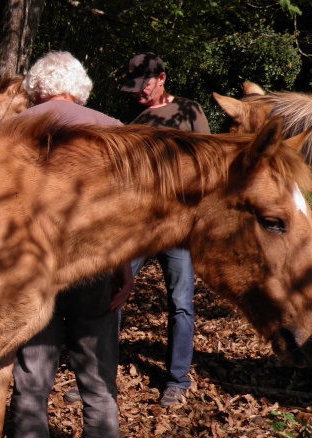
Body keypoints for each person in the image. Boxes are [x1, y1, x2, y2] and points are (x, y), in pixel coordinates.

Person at [9, 51, 132, 438]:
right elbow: (126, 213)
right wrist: (123, 266)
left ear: (37, 87)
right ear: (80, 87)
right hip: (93, 267)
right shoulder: (113, 129)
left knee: (31, 389)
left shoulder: (14, 128)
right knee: (99, 387)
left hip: (31, 273)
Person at [120, 52, 210, 407]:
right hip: (141, 225)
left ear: (162, 78)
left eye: (144, 86)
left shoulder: (190, 111)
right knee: (113, 293)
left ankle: (177, 379)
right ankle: (97, 373)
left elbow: (208, 162)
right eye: (134, 88)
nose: (138, 94)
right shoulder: (136, 121)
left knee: (180, 303)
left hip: (178, 224)